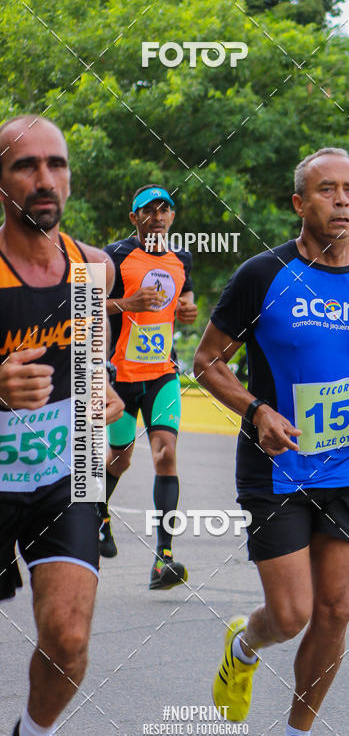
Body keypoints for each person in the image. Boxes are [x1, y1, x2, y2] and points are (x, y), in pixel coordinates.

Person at [194, 147, 349, 736]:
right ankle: (245, 644)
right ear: (300, 204)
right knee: (289, 614)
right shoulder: (263, 277)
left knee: (336, 610)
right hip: (278, 467)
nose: (342, 201)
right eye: (327, 190)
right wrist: (256, 408)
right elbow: (206, 361)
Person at [0, 115, 123, 736]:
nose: (45, 180)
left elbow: (87, 357)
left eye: (57, 165)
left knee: (69, 637)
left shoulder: (92, 267)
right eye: (25, 167)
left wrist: (99, 395)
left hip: (62, 470)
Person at [98, 186, 197, 589]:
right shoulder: (111, 256)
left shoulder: (182, 259)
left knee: (166, 455)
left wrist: (189, 310)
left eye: (164, 210)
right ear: (133, 217)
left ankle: (164, 557)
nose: (157, 216)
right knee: (120, 459)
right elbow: (82, 304)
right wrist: (127, 304)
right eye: (148, 211)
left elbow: (184, 305)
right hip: (120, 378)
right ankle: (98, 514)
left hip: (161, 374)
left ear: (172, 217)